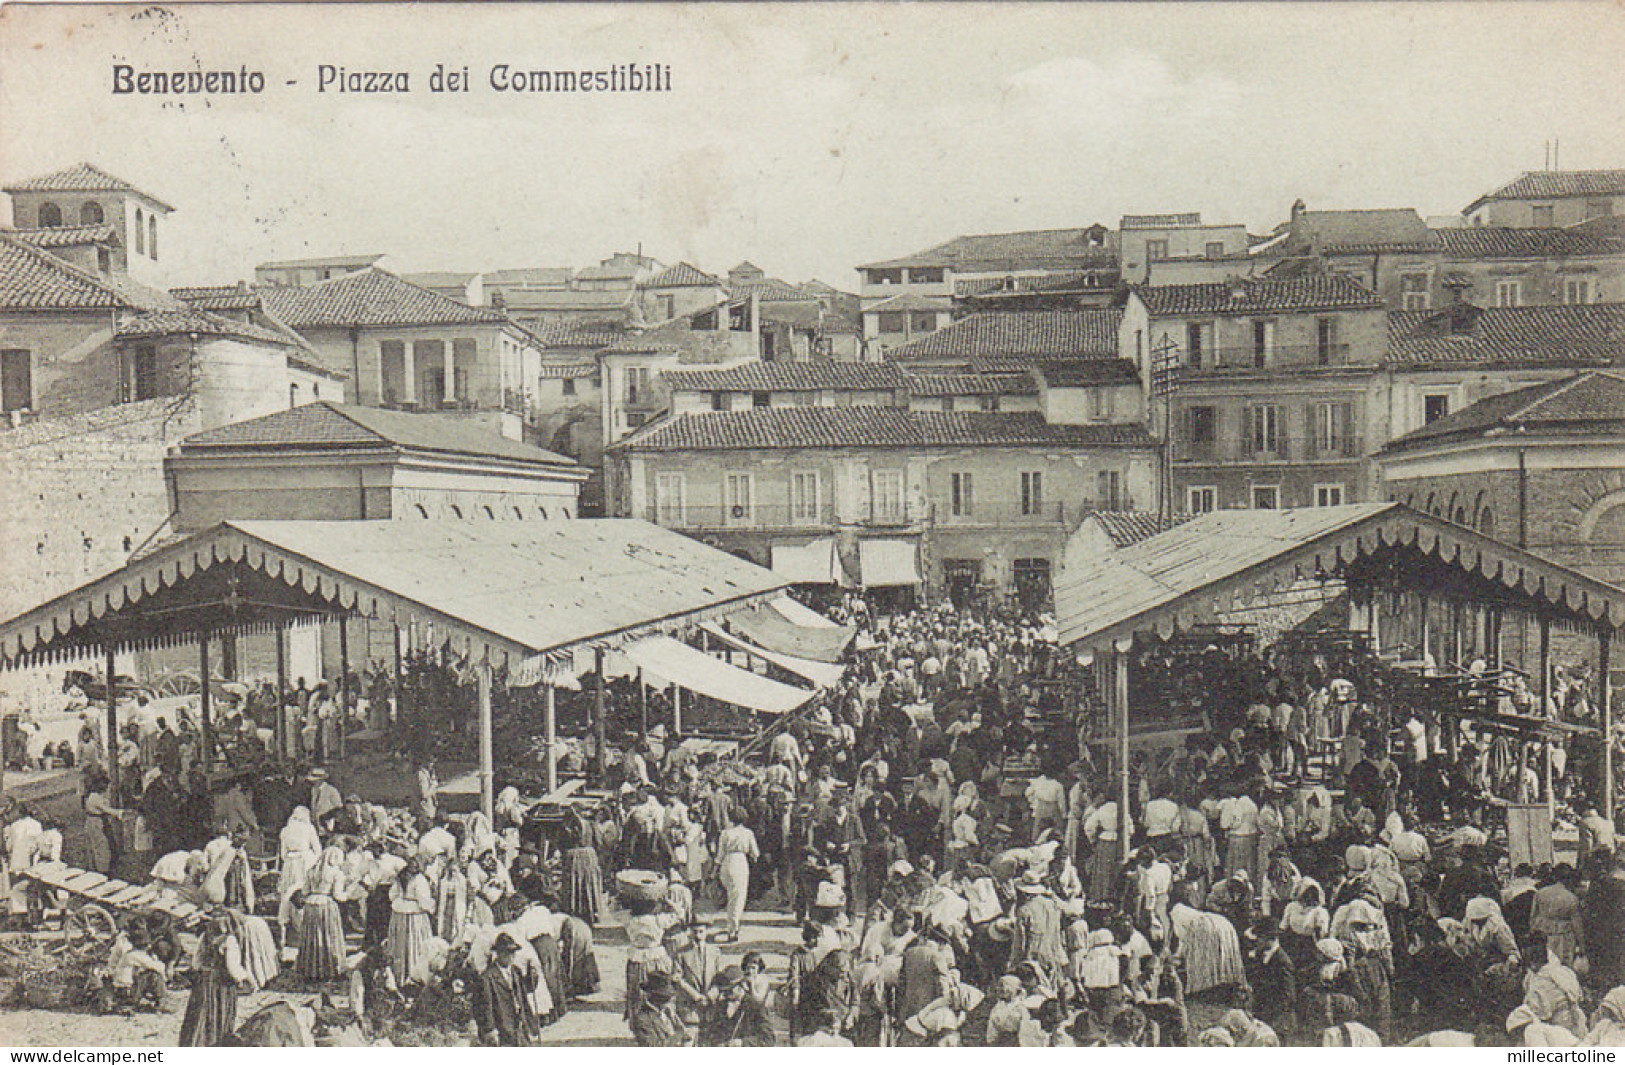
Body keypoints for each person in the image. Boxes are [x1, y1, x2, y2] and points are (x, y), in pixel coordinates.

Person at [179, 911, 251, 1046]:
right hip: (221, 983)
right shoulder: (229, 940)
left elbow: (196, 963)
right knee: (219, 1013)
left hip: (204, 980)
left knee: (200, 1013)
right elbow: (232, 967)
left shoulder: (204, 937)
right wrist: (244, 978)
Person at [473, 933, 539, 1046]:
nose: (511, 956)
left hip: (520, 1027)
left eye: (513, 952)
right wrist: (490, 1030)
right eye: (507, 952)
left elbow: (524, 998)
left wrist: (533, 977)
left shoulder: (516, 972)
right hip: (502, 1030)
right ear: (498, 954)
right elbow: (486, 1006)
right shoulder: (488, 977)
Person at [295, 846, 348, 981]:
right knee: (328, 936)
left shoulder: (311, 871)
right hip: (326, 906)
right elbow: (338, 895)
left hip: (311, 905)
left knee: (312, 936)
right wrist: (349, 893)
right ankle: (330, 968)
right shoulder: (337, 874)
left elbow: (305, 891)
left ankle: (310, 968)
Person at [700, 964, 777, 1046]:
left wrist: (742, 1043)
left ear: (741, 986)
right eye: (722, 991)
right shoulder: (720, 1007)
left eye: (729, 990)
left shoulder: (755, 1007)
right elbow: (709, 1035)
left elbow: (769, 1039)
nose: (724, 994)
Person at [715, 816, 759, 943]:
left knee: (731, 896)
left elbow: (719, 855)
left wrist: (714, 870)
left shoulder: (725, 833)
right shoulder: (748, 833)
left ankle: (732, 924)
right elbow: (755, 853)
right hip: (740, 862)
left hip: (727, 863)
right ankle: (733, 928)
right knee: (738, 898)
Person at [629, 971, 691, 1046]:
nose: (669, 1000)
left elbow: (685, 1034)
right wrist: (678, 1036)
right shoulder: (643, 1018)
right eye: (665, 997)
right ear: (654, 996)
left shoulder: (668, 1012)